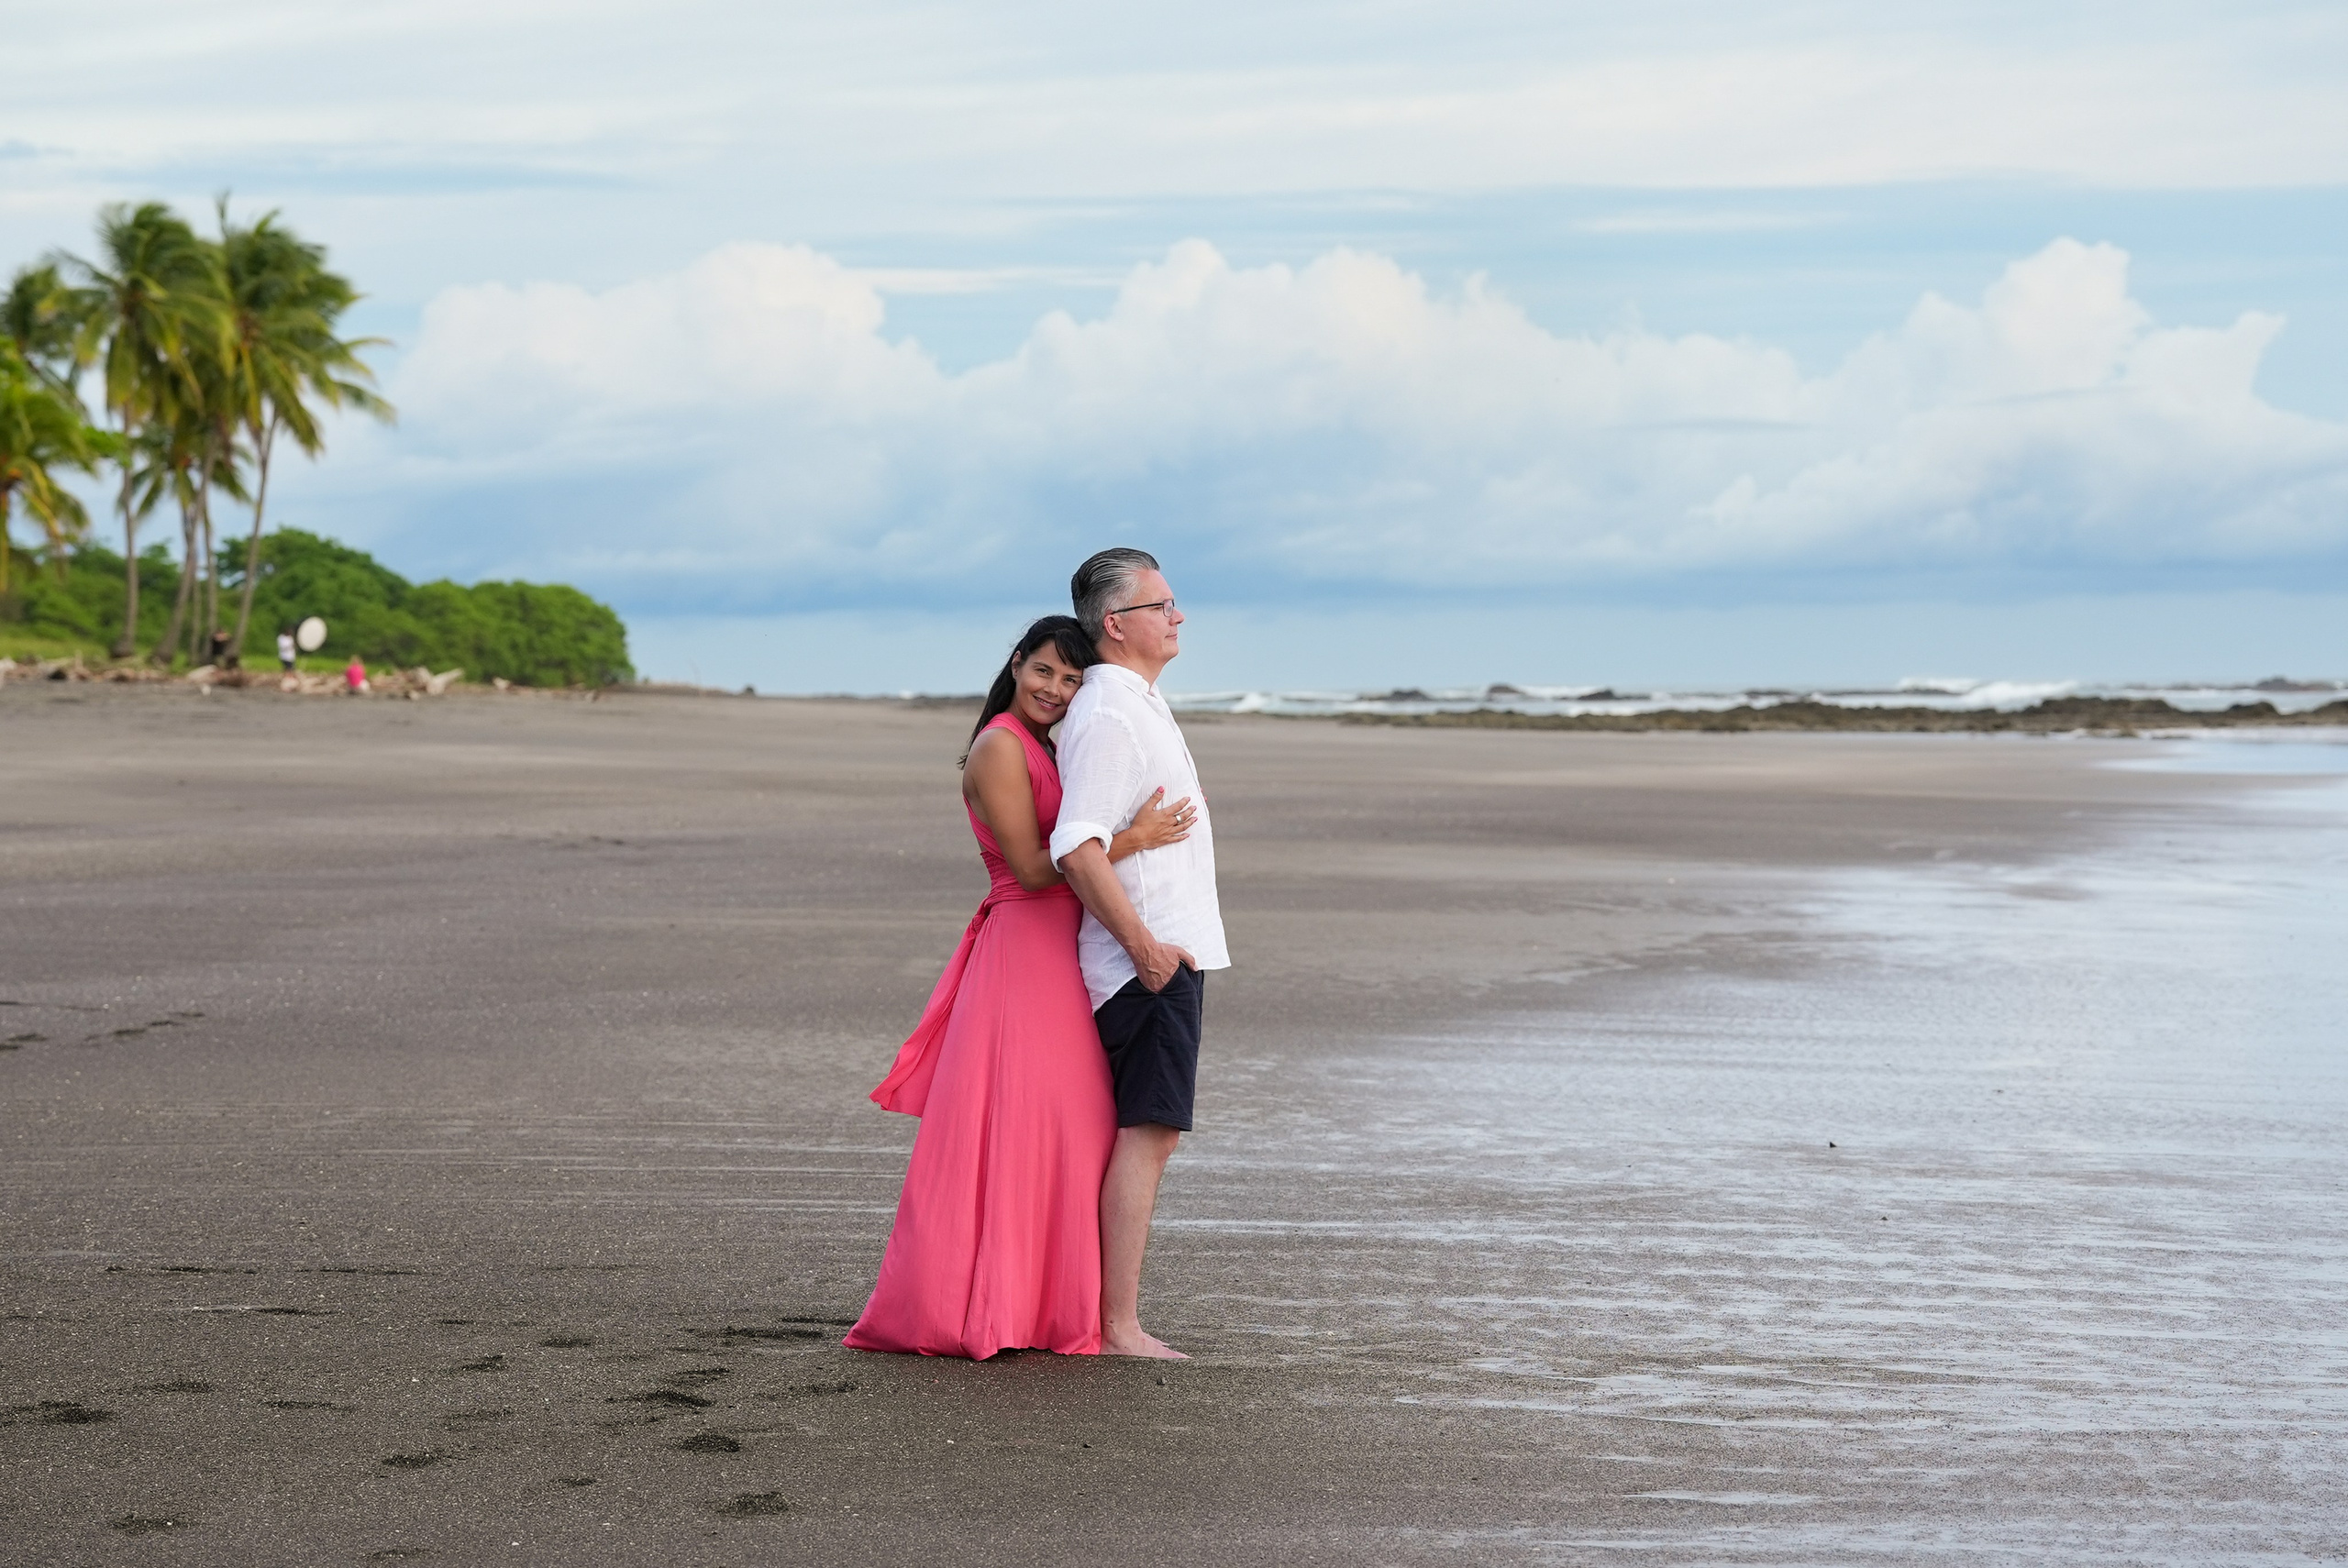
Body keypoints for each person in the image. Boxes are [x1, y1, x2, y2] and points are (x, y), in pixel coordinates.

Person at [846, 615, 1197, 1360]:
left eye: (1071, 680)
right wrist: (1132, 839)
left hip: (1058, 951)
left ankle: (1037, 1308)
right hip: (1023, 951)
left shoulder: (1045, 744)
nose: (1055, 690)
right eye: (1044, 671)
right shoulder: (1000, 746)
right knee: (1022, 1127)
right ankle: (981, 1308)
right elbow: (1036, 869)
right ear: (1014, 665)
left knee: (1065, 1130)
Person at [1050, 547, 1228, 1361]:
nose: (1177, 615)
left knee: (1151, 1134)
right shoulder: (1110, 713)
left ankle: (1105, 1316)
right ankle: (1117, 1326)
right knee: (1149, 1135)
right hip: (1146, 963)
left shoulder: (1135, 702)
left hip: (1164, 955)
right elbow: (1075, 847)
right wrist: (1146, 950)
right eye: (1161, 605)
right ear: (1116, 624)